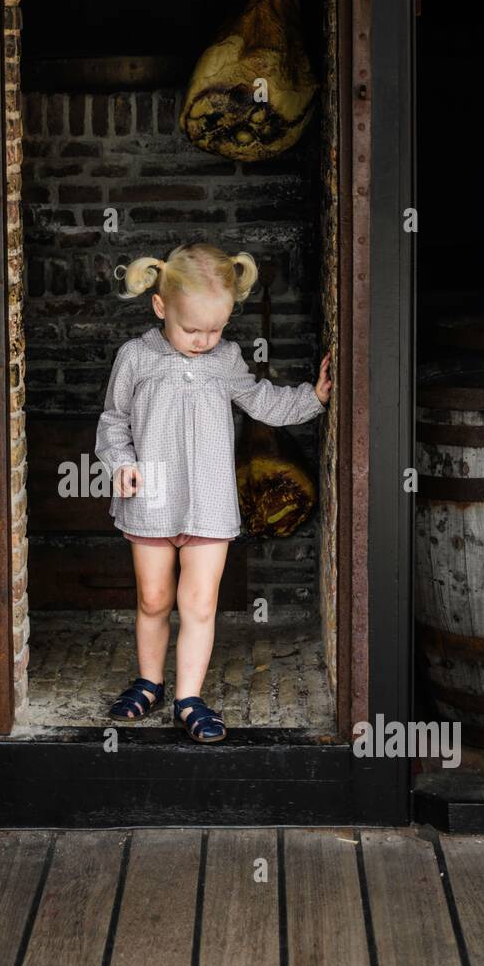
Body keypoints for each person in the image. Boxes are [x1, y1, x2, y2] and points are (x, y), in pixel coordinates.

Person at [94, 241, 332, 743]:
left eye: (216, 329)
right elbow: (113, 421)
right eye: (191, 329)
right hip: (151, 502)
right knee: (155, 598)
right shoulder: (136, 358)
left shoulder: (226, 360)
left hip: (208, 502)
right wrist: (122, 463)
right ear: (161, 307)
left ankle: (189, 698)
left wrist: (312, 397)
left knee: (199, 604)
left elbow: (260, 400)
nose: (204, 340)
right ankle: (148, 681)